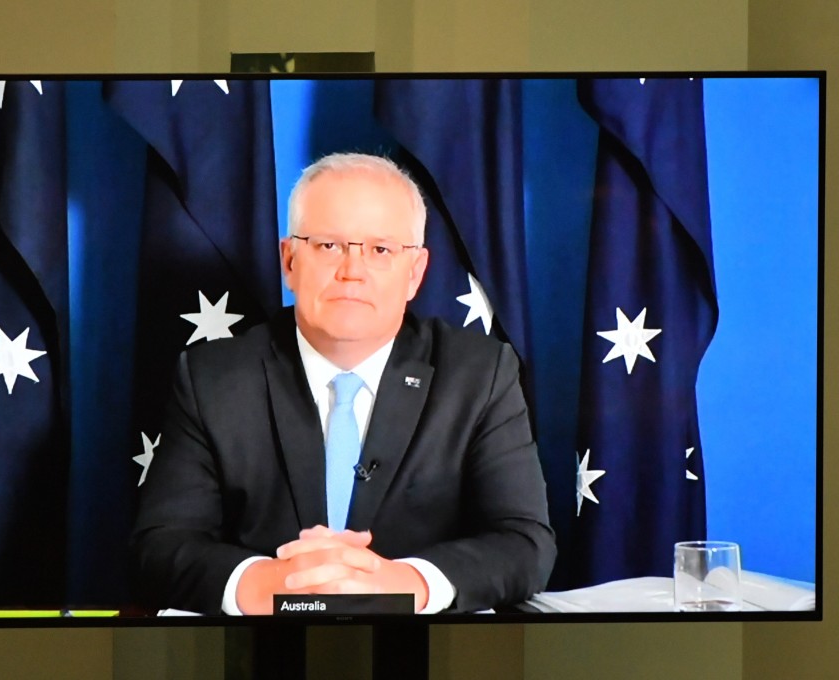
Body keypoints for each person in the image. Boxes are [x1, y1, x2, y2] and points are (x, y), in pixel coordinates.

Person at [133, 152, 555, 615]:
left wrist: (408, 582)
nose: (352, 271)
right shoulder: (212, 378)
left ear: (414, 273)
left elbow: (524, 541)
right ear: (290, 260)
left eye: (380, 250)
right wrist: (265, 584)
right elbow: (162, 544)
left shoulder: (480, 375)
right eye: (329, 245)